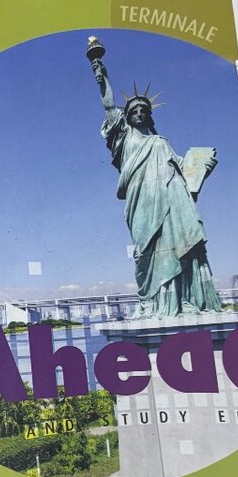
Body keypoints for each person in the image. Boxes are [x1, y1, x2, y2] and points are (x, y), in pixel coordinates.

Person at [87, 36, 222, 317]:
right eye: (133, 111)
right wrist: (100, 73)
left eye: (143, 111)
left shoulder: (160, 141)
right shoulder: (124, 137)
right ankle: (152, 302)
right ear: (127, 117)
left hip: (173, 199)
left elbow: (185, 170)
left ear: (149, 116)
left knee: (181, 245)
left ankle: (184, 301)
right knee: (147, 251)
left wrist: (203, 165)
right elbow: (109, 107)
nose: (139, 113)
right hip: (143, 202)